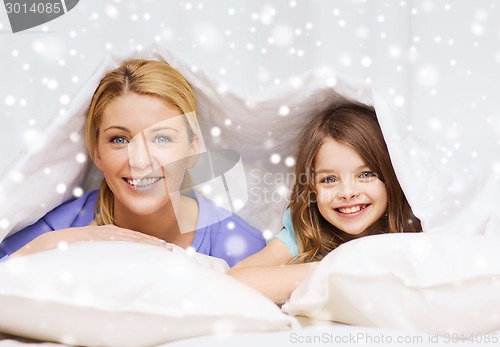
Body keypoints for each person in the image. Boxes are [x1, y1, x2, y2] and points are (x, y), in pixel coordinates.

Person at [0, 59, 265, 266]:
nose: (139, 161)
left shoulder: (238, 243)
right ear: (97, 152)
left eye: (161, 138)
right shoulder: (63, 226)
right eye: (119, 140)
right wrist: (75, 239)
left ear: (193, 149)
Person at [228, 102, 422, 302]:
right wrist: (333, 268)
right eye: (329, 179)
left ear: (392, 177)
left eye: (365, 174)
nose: (347, 193)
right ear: (312, 187)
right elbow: (234, 281)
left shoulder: (414, 227)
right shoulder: (306, 233)